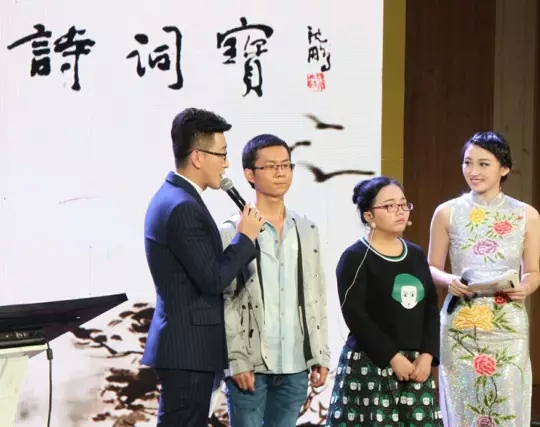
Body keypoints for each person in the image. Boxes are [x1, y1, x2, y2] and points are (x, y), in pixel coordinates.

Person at [142, 108, 266, 427]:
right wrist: (245, 237)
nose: (226, 164)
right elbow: (212, 279)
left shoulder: (175, 197)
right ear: (198, 157)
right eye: (221, 154)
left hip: (188, 349)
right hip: (189, 350)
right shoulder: (182, 206)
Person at [427, 131, 540, 427]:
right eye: (467, 163)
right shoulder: (447, 213)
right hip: (461, 321)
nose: (473, 171)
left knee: (507, 401)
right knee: (463, 404)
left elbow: (533, 272)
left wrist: (525, 287)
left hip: (507, 321)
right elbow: (431, 266)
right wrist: (448, 280)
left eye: (483, 164)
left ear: (504, 168)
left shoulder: (526, 215)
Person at [219, 134, 330, 427]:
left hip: (295, 364)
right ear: (249, 174)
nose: (281, 172)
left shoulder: (306, 228)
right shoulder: (233, 230)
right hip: (252, 364)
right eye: (270, 166)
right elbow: (227, 299)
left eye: (286, 165)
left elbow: (316, 294)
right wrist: (236, 359)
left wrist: (320, 352)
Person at [326, 176, 443, 426]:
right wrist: (393, 357)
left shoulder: (416, 254)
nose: (400, 211)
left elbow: (431, 309)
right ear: (369, 216)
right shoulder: (355, 257)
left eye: (403, 204)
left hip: (415, 368)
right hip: (372, 364)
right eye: (390, 206)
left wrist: (427, 355)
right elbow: (356, 315)